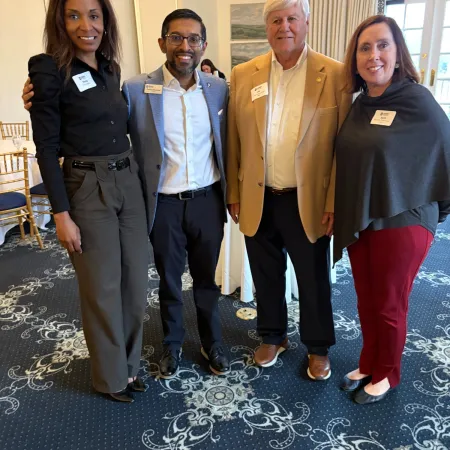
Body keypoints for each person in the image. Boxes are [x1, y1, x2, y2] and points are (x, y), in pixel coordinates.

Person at [26, 0, 149, 403]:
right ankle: (110, 377)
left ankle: (130, 368)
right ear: (59, 21)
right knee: (102, 286)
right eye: (74, 15)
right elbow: (45, 147)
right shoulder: (48, 70)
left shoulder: (110, 69)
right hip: (85, 184)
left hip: (127, 180)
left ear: (105, 21)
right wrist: (60, 214)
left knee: (134, 282)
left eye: (94, 15)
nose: (86, 25)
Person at [226, 0, 351, 380]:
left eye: (292, 18)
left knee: (312, 278)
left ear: (307, 23)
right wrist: (234, 190)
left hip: (307, 198)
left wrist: (334, 202)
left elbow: (342, 148)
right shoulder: (245, 73)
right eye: (276, 20)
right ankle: (272, 335)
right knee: (265, 273)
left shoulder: (335, 74)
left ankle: (317, 347)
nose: (284, 27)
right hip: (259, 197)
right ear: (267, 27)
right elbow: (233, 139)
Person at [334, 15, 450, 404]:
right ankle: (369, 361)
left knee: (389, 301)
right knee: (366, 298)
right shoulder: (360, 104)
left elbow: (446, 154)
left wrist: (436, 213)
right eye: (365, 48)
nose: (374, 55)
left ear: (398, 52)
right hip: (364, 216)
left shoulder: (417, 100)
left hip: (404, 219)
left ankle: (388, 373)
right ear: (355, 58)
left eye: (382, 45)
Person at [122, 9, 230, 378]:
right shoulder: (136, 89)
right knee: (168, 279)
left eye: (193, 39)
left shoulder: (218, 89)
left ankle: (211, 341)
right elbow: (102, 126)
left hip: (207, 201)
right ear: (162, 42)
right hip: (163, 204)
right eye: (176, 38)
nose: (185, 46)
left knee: (206, 279)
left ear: (203, 45)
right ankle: (171, 344)